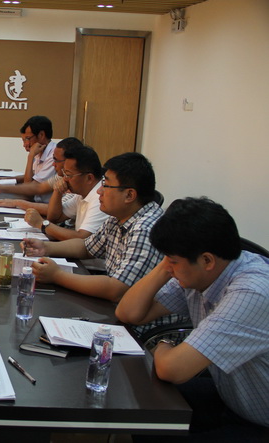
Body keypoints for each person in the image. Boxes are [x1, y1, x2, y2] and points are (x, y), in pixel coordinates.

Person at [116, 198, 269, 440]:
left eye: (173, 262)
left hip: (259, 421)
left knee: (153, 422)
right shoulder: (202, 274)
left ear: (207, 260)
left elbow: (172, 369)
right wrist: (167, 265)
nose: (170, 268)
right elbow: (128, 312)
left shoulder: (251, 292)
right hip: (232, 396)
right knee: (144, 409)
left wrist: (162, 345)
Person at [22, 152, 163, 302]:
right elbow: (87, 247)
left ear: (129, 195)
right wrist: (45, 247)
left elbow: (116, 289)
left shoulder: (145, 230)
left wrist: (57, 276)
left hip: (130, 313)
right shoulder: (118, 216)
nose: (99, 191)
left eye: (106, 185)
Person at [24, 145, 108, 241]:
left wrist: (42, 224)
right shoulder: (81, 194)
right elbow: (55, 217)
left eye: (68, 175)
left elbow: (82, 239)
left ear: (89, 178)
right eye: (64, 174)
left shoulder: (99, 198)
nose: (64, 179)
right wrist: (57, 191)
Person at [0, 136, 83, 215]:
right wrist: (2, 187)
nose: (53, 164)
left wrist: (17, 203)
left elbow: (53, 211)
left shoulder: (77, 184)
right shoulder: (60, 176)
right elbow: (38, 187)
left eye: (56, 161)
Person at [0, 115, 56, 203]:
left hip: (45, 206)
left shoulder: (54, 156)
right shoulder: (40, 151)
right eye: (23, 140)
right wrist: (6, 180)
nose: (24, 144)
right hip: (35, 201)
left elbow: (29, 187)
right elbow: (34, 176)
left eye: (27, 139)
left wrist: (30, 156)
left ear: (41, 135)